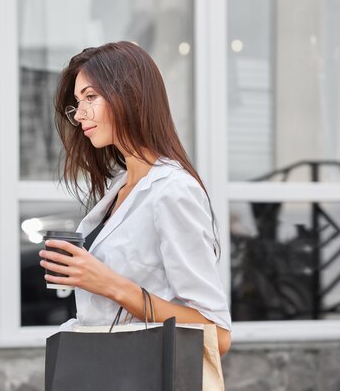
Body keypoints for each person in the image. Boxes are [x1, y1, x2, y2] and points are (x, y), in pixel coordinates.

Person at [39, 41, 232, 355]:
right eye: (77, 102)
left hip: (140, 372)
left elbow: (217, 334)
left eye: (91, 96)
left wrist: (111, 285)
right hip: (101, 366)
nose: (81, 114)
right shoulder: (119, 188)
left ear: (129, 96)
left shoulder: (173, 190)